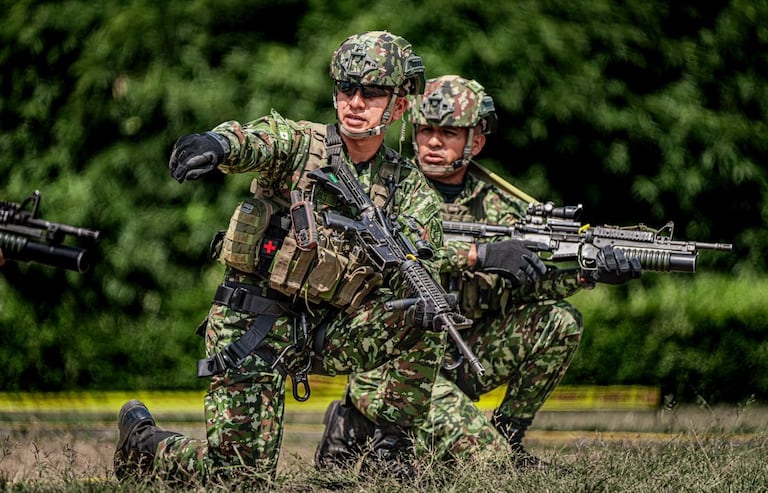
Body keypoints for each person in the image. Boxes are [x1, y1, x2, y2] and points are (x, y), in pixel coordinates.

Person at [113, 32, 479, 485]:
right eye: (347, 88)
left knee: (429, 313)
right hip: (253, 324)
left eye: (372, 92)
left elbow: (425, 256)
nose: (356, 101)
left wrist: (420, 282)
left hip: (327, 331)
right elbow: (258, 139)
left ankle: (389, 443)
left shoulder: (410, 190)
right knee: (240, 478)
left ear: (399, 106)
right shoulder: (303, 145)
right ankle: (145, 447)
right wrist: (217, 144)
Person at [315, 75, 642, 471]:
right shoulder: (385, 188)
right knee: (485, 466)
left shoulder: (503, 208)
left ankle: (510, 438)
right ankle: (357, 429)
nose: (434, 142)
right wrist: (477, 253)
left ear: (477, 142)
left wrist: (588, 274)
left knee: (560, 321)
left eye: (449, 132)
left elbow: (525, 288)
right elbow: (384, 252)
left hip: (462, 358)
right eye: (425, 131)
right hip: (392, 369)